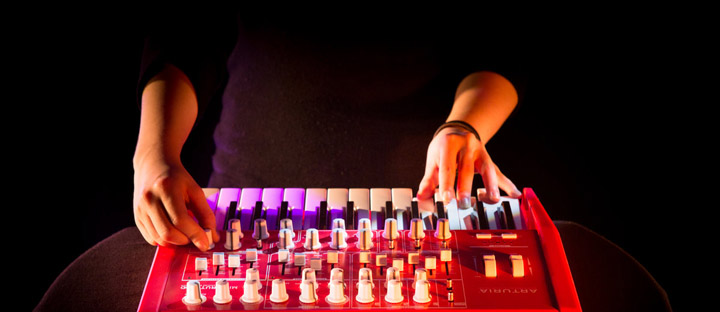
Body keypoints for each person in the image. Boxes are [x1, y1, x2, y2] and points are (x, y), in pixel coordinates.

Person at [131, 12, 522, 251]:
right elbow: (183, 35)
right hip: (248, 198)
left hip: (423, 200)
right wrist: (153, 156)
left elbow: (499, 46)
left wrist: (463, 125)